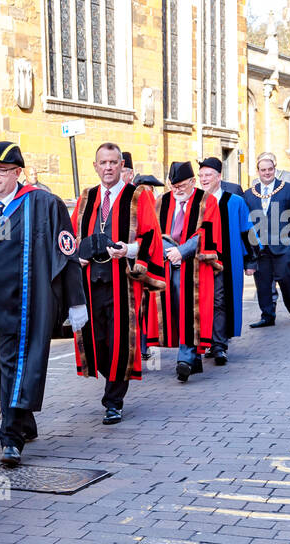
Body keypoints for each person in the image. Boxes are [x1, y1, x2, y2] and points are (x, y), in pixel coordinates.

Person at [0, 141, 85, 467]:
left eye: (2, 171)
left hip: (23, 304)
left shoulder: (43, 204)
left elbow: (66, 253)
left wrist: (75, 302)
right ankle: (24, 422)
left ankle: (10, 438)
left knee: (15, 368)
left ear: (18, 172)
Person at [70, 142, 167, 423]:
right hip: (91, 281)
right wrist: (79, 256)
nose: (109, 167)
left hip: (122, 283)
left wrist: (130, 250)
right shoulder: (86, 198)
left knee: (119, 342)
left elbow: (151, 237)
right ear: (96, 166)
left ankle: (114, 400)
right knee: (97, 341)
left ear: (122, 166)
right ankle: (110, 378)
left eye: (114, 162)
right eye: (104, 163)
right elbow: (71, 236)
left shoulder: (138, 196)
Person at [151, 160, 220, 383]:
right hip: (165, 264)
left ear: (192, 181)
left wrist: (182, 251)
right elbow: (152, 230)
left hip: (194, 267)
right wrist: (167, 250)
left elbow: (207, 231)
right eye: (174, 186)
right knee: (174, 311)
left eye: (181, 185)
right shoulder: (162, 201)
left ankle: (185, 359)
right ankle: (193, 358)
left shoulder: (206, 201)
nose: (177, 190)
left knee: (190, 310)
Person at [197, 157, 259, 363]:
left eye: (208, 175)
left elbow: (248, 232)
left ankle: (219, 345)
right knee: (200, 303)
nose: (204, 179)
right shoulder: (196, 201)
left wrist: (251, 261)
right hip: (199, 263)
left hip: (227, 262)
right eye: (201, 175)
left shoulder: (235, 202)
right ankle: (204, 341)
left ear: (219, 177)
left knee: (220, 301)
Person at [243, 152, 290, 328]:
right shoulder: (249, 194)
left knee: (285, 277)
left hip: (283, 243)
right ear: (258, 172)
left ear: (274, 170)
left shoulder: (288, 189)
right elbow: (246, 222)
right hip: (259, 247)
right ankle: (267, 316)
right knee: (262, 283)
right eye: (263, 170)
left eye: (270, 169)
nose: (267, 173)